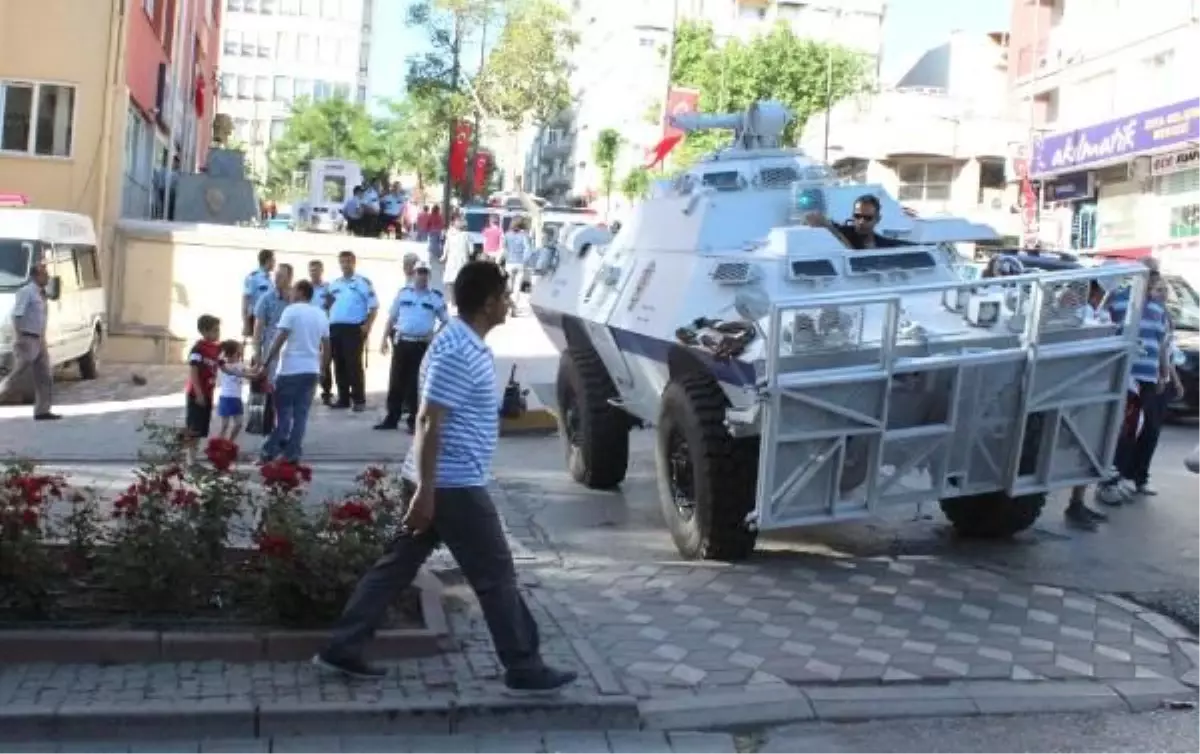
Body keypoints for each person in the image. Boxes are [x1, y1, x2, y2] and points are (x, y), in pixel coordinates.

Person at [314, 260, 578, 693]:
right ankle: (524, 666)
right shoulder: (458, 348)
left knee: (395, 568)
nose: (509, 302)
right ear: (489, 302)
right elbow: (428, 420)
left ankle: (342, 647)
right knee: (496, 576)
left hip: (441, 483)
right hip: (451, 486)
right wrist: (425, 492)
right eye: (505, 296)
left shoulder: (464, 343)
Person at [1100, 261, 1173, 503]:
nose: (1153, 278)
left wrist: (1164, 373)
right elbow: (1107, 329)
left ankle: (1132, 476)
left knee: (1147, 427)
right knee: (1125, 427)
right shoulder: (1120, 299)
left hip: (1149, 376)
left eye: (1156, 274)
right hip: (1126, 375)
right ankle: (1113, 479)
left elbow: (1161, 343)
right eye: (1149, 273)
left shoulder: (1158, 307)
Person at [260, 280, 331, 463]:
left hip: (291, 370)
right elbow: (327, 346)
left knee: (284, 415)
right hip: (311, 371)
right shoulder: (321, 314)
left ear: (300, 292)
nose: (290, 293)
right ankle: (292, 453)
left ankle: (270, 451)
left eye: (292, 290)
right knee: (301, 416)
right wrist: (322, 369)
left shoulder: (291, 311)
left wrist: (266, 362)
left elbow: (280, 338)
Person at [375, 261, 448, 432]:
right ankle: (391, 418)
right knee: (396, 381)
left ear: (428, 276)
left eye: (424, 272)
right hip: (402, 342)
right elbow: (392, 318)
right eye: (418, 272)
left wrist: (435, 336)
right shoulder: (403, 294)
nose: (421, 276)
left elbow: (446, 321)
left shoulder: (435, 297)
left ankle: (414, 421)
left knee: (416, 383)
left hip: (421, 344)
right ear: (413, 274)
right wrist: (384, 339)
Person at [0, 263, 58, 420]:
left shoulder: (42, 294)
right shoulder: (26, 292)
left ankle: (42, 411)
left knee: (45, 376)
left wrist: (43, 338)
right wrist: (20, 337)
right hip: (27, 338)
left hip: (40, 339)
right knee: (17, 374)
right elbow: (16, 315)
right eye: (43, 274)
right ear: (35, 276)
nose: (47, 277)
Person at [327, 251, 379, 411]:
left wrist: (368, 325)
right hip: (335, 327)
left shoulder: (363, 282)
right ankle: (343, 398)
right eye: (342, 262)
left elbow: (374, 306)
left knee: (353, 364)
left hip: (354, 328)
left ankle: (359, 399)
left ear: (354, 262)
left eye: (348, 261)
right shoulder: (334, 284)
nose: (345, 265)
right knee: (338, 363)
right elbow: (327, 306)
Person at [184, 315, 222, 465]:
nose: (218, 333)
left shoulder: (216, 349)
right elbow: (193, 372)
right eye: (215, 330)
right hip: (196, 394)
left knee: (200, 427)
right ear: (205, 331)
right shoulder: (198, 349)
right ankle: (189, 458)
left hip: (208, 393)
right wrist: (198, 393)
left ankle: (193, 455)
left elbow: (223, 365)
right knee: (193, 426)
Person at [805, 194, 907, 250]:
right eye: (857, 216)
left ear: (877, 219)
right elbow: (810, 218)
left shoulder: (881, 243)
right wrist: (827, 225)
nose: (861, 221)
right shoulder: (841, 233)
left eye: (868, 218)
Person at [215, 339, 262, 443]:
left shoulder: (240, 364)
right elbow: (235, 372)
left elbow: (251, 370)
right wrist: (251, 375)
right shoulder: (224, 366)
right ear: (231, 354)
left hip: (237, 398)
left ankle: (229, 443)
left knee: (239, 424)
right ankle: (217, 445)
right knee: (225, 425)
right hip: (226, 398)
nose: (239, 354)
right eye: (237, 352)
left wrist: (258, 363)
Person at [252, 264, 294, 377]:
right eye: (276, 275)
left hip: (293, 347)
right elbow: (258, 328)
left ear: (290, 278)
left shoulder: (297, 299)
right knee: (272, 382)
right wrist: (256, 352)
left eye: (281, 276)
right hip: (271, 346)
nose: (276, 278)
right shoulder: (266, 298)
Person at [309, 259, 334, 405]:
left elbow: (334, 303)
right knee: (310, 358)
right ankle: (309, 389)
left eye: (316, 270)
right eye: (311, 270)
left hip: (324, 326)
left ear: (321, 271)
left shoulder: (327, 288)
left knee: (325, 359)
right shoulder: (306, 288)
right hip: (309, 327)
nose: (314, 273)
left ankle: (326, 391)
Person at [242, 250, 275, 339]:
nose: (274, 263)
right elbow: (246, 300)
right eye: (273, 260)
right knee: (256, 348)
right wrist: (246, 323)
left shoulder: (270, 280)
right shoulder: (253, 277)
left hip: (268, 320)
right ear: (268, 261)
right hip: (255, 317)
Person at [502, 217, 531, 316]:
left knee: (509, 287)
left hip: (509, 263)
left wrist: (506, 258)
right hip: (519, 263)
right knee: (517, 287)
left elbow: (504, 248)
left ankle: (508, 306)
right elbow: (527, 250)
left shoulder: (507, 235)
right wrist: (524, 261)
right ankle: (513, 310)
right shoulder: (524, 236)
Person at [441, 214, 471, 307]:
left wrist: (469, 252)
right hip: (452, 259)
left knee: (461, 280)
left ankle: (460, 300)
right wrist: (444, 256)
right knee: (451, 281)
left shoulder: (465, 234)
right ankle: (453, 301)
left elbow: (470, 249)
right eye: (458, 221)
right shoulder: (449, 233)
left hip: (462, 259)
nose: (460, 222)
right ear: (453, 222)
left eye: (461, 221)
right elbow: (447, 245)